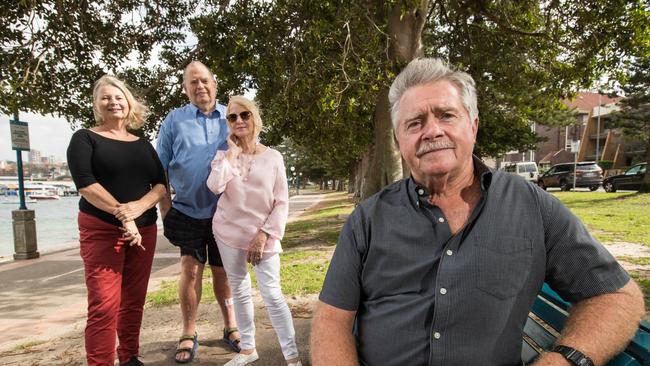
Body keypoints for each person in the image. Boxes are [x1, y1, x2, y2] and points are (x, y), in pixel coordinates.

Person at [310, 58, 645, 366]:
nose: (432, 131)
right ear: (400, 140)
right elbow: (331, 320)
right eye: (414, 123)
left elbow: (617, 295)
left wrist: (563, 360)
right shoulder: (368, 219)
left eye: (446, 114)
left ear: (473, 125)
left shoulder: (531, 206)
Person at [67, 75, 167, 366]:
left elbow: (160, 185)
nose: (113, 102)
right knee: (104, 306)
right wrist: (125, 216)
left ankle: (129, 357)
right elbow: (86, 184)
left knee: (133, 301)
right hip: (101, 231)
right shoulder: (84, 138)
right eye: (106, 98)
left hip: (144, 230)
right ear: (97, 105)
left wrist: (139, 207)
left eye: (119, 97)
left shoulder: (143, 144)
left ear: (128, 102)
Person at [206, 95, 301, 366]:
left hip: (263, 234)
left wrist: (264, 234)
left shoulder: (273, 157)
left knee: (271, 293)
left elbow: (281, 201)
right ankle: (248, 349)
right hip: (227, 232)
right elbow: (214, 186)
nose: (239, 121)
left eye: (244, 114)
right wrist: (232, 156)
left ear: (254, 118)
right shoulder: (223, 156)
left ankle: (292, 356)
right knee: (239, 289)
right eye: (232, 117)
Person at [156, 61, 240, 363]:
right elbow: (159, 166)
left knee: (224, 273)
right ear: (185, 88)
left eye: (204, 80)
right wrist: (164, 207)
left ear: (214, 84)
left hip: (225, 212)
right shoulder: (174, 120)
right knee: (190, 271)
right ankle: (189, 331)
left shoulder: (231, 117)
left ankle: (231, 324)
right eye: (193, 82)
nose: (200, 86)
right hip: (186, 211)